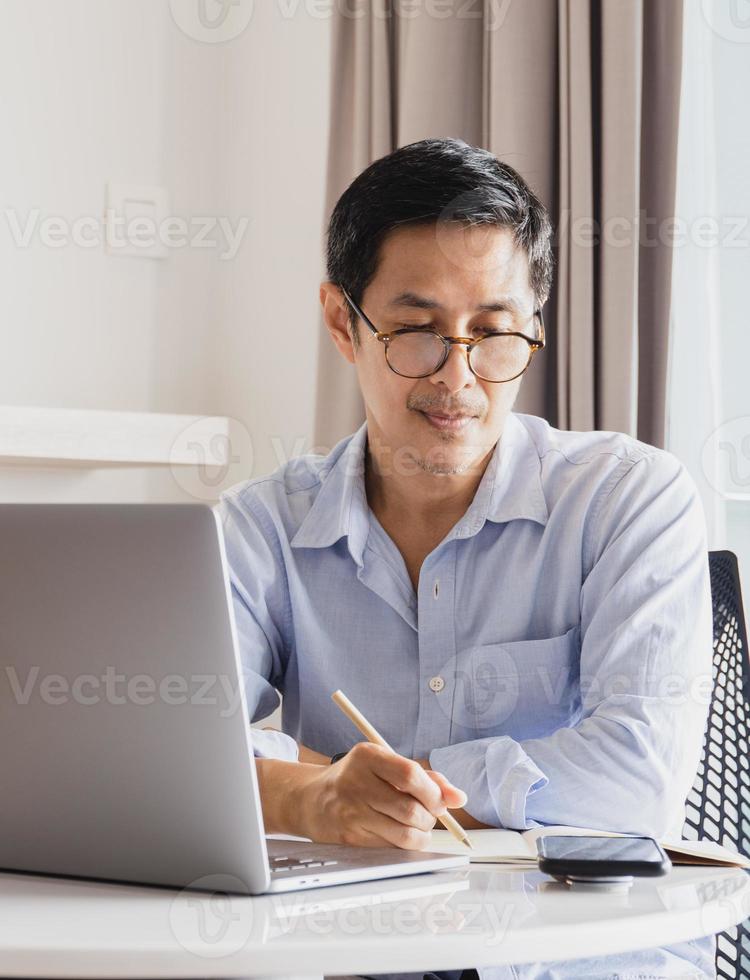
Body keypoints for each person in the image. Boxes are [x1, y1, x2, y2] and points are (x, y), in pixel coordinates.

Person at [220, 137, 714, 979]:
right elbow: (178, 758)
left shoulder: (629, 497)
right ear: (344, 322)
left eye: (493, 333)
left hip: (582, 962)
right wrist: (310, 798)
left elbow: (634, 784)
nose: (459, 379)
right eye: (416, 331)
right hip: (357, 957)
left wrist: (356, 787)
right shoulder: (262, 526)